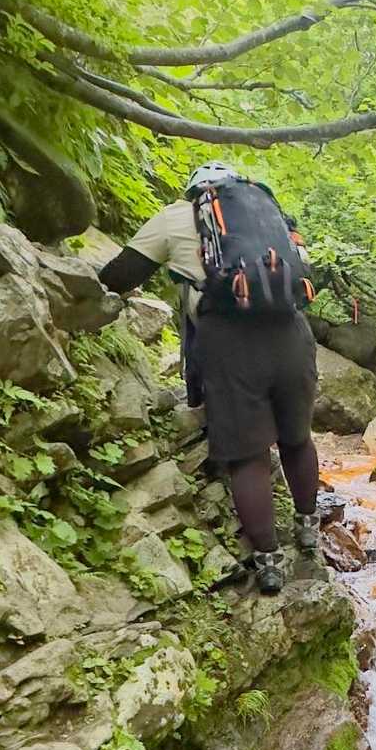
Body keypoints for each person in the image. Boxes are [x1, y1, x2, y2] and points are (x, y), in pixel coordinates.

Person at [98, 162, 320, 595]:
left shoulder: (176, 216)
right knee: (297, 438)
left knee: (248, 456)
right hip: (292, 334)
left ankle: (269, 562)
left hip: (230, 341)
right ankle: (309, 529)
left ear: (192, 192)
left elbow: (119, 276)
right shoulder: (269, 212)